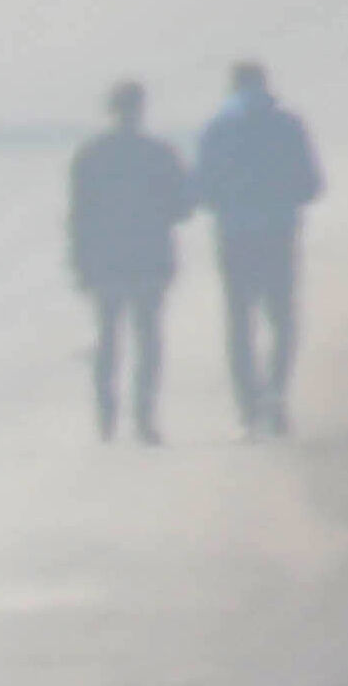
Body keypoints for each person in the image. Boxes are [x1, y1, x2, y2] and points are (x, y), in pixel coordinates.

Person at [195, 60, 327, 437]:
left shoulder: (218, 128)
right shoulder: (287, 126)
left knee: (239, 322)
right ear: (265, 85)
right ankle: (276, 394)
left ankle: (248, 405)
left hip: (235, 236)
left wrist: (230, 202)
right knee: (282, 319)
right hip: (278, 234)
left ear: (232, 87)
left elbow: (202, 189)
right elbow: (312, 185)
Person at [67, 80, 196, 448]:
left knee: (108, 340)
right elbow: (182, 208)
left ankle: (106, 418)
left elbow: (79, 215)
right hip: (149, 259)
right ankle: (144, 418)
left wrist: (80, 264)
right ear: (141, 109)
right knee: (148, 340)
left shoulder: (91, 155)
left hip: (105, 262)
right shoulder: (160, 154)